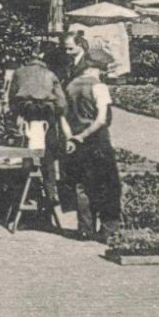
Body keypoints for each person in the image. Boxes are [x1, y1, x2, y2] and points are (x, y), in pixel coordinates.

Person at [59, 34, 121, 240]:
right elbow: (101, 119)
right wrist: (84, 135)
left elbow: (62, 116)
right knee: (108, 184)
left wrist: (71, 138)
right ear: (97, 68)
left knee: (81, 185)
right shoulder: (99, 87)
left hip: (75, 140)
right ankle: (108, 230)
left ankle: (84, 228)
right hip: (97, 140)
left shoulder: (70, 86)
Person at [4, 49, 67, 206]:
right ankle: (50, 192)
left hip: (27, 118)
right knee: (48, 156)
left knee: (25, 154)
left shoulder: (18, 73)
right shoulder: (51, 74)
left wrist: (19, 112)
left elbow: (12, 101)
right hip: (47, 118)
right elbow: (62, 103)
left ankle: (25, 194)